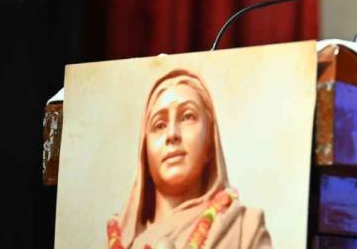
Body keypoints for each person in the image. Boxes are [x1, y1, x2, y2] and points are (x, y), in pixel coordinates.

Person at [107, 69, 272, 249]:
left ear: (210, 140)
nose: (172, 134)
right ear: (144, 150)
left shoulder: (244, 228)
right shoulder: (121, 242)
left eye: (187, 117)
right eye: (159, 125)